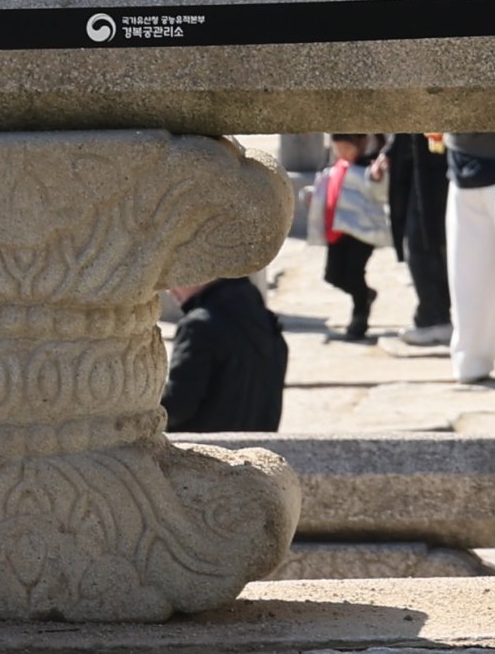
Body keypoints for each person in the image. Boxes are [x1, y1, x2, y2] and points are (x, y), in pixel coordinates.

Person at [163, 270, 290, 434]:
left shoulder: (198, 326)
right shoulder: (266, 321)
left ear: (204, 270)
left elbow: (177, 407)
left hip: (205, 451)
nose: (169, 290)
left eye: (173, 277)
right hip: (259, 448)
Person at [309, 136, 387, 345]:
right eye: (338, 149)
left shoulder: (368, 166)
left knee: (354, 274)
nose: (342, 154)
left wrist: (378, 177)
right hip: (337, 231)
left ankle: (359, 316)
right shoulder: (335, 167)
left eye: (346, 149)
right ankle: (365, 295)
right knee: (332, 275)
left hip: (361, 233)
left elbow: (380, 192)